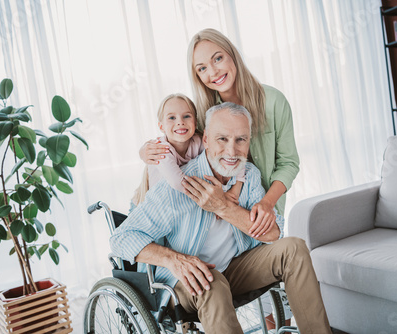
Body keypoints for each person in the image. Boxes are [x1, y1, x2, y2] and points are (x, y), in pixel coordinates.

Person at [110, 103, 331, 333]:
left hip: (234, 268)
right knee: (210, 281)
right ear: (205, 139)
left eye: (240, 140)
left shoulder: (249, 176)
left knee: (293, 248)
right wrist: (174, 260)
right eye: (222, 139)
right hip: (188, 281)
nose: (232, 152)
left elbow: (273, 233)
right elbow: (121, 238)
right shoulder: (178, 185)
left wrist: (223, 207)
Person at [140, 28, 301, 326]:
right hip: (218, 213)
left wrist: (265, 202)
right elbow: (181, 147)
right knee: (220, 277)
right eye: (202, 68)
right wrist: (146, 150)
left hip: (262, 207)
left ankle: (283, 327)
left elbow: (288, 163)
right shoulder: (203, 113)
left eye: (217, 59)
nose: (213, 72)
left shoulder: (273, 101)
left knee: (276, 299)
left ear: (232, 56)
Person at [131, 93, 246, 214]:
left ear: (195, 123)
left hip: (172, 204)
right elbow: (179, 183)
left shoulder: (199, 142)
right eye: (171, 118)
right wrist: (220, 199)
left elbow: (233, 157)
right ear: (161, 127)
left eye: (186, 116)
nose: (180, 122)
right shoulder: (161, 149)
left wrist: (235, 190)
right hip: (145, 207)